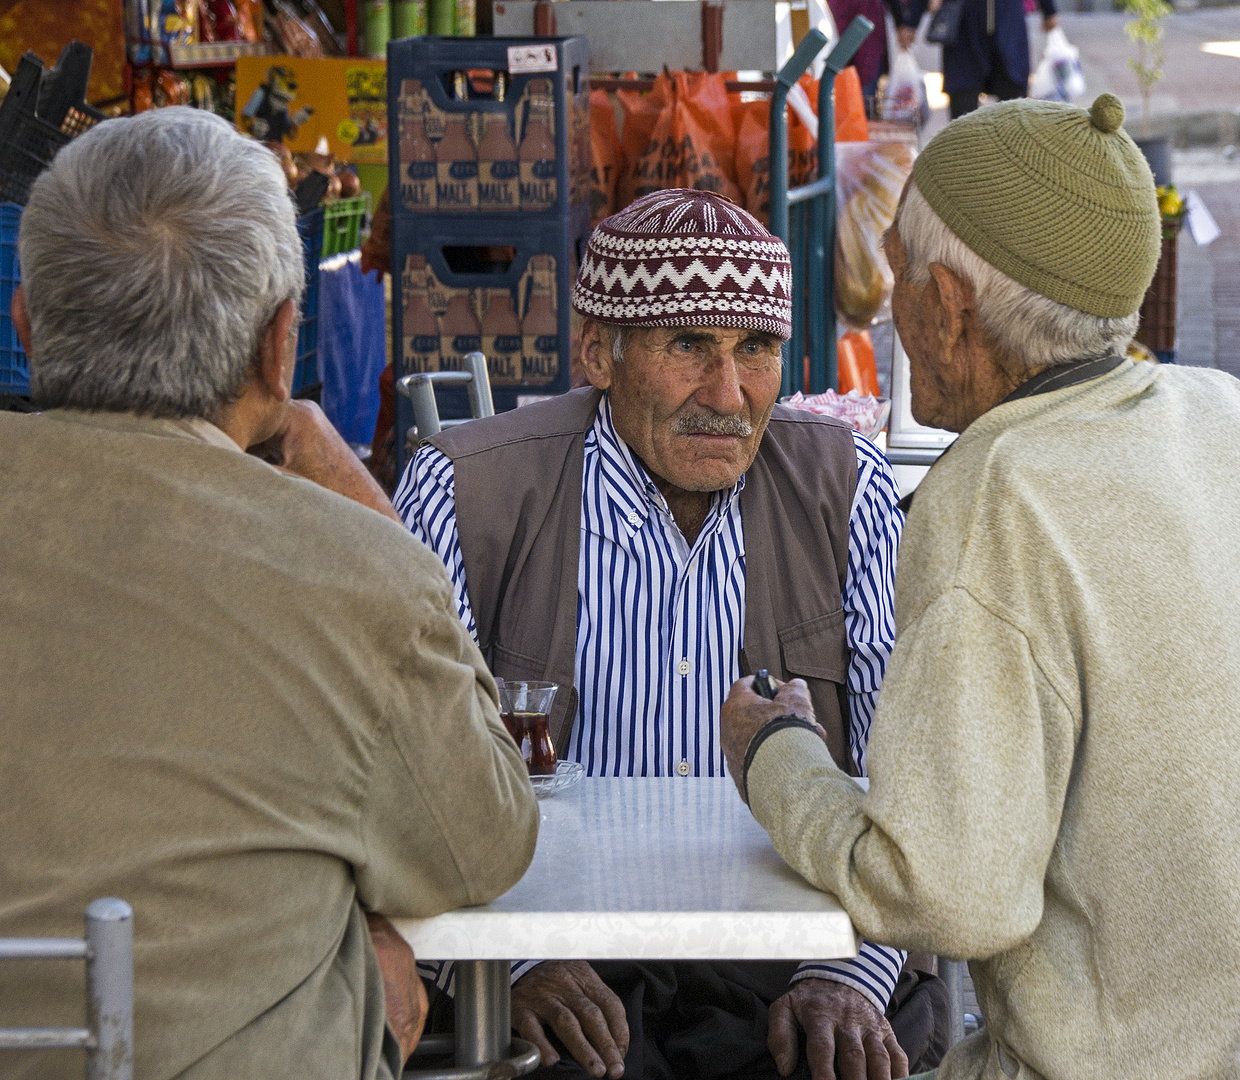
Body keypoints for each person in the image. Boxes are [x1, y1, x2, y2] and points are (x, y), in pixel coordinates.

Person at [0, 107, 538, 1080]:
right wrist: (369, 518)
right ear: (280, 347)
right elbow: (481, 847)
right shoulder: (354, 574)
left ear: (25, 326)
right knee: (379, 972)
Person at [720, 94, 1240, 1079]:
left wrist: (777, 758)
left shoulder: (996, 491)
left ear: (949, 305)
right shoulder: (1218, 412)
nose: (886, 302)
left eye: (904, 273)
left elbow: (945, 890)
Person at [395, 188, 947, 1080]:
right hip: (548, 946)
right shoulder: (466, 491)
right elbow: (403, 772)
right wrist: (508, 964)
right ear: (597, 352)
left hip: (792, 957)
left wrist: (848, 972)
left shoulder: (846, 489)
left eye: (756, 350)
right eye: (689, 345)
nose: (727, 395)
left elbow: (911, 768)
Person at [899, 0, 1057, 119]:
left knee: (1014, 112)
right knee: (963, 108)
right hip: (964, 29)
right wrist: (911, 21)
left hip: (1008, 27)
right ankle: (965, 159)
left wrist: (1049, 9)